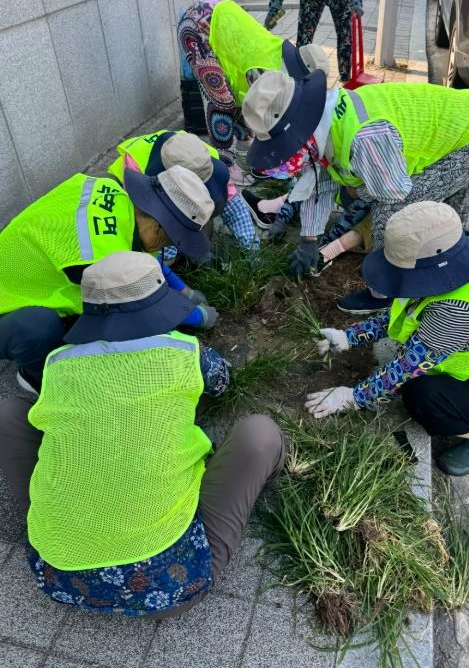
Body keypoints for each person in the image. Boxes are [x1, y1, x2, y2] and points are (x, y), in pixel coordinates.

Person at [0, 251, 284, 616]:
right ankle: (273, 471)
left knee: (9, 413)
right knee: (260, 435)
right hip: (171, 586)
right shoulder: (187, 353)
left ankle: (61, 525)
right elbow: (221, 382)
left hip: (57, 577)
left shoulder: (58, 363)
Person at [304, 202, 469, 476]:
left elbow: (406, 368)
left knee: (422, 396)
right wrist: (349, 337)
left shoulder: (457, 312)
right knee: (419, 378)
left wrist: (353, 397)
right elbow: (405, 312)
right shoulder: (456, 271)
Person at [242, 70, 469, 307]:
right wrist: (308, 241)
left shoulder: (365, 138)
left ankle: (384, 294)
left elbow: (394, 193)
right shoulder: (324, 123)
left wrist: (359, 190)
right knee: (457, 204)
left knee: (389, 217)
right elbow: (320, 183)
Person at [0, 163, 225, 392]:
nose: (167, 246)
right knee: (38, 329)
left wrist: (185, 291)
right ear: (158, 227)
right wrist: (196, 317)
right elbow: (140, 314)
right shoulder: (105, 255)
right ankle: (40, 378)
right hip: (8, 306)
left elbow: (141, 260)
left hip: (27, 268)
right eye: (171, 239)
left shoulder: (112, 190)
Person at [177, 0, 330, 184]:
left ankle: (243, 144)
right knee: (222, 100)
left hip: (222, 11)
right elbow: (260, 112)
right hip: (198, 26)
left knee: (239, 96)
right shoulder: (268, 75)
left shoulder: (288, 56)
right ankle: (225, 165)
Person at [108, 128, 259, 251]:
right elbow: (148, 232)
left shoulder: (200, 155)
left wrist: (251, 248)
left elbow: (234, 205)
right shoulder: (137, 171)